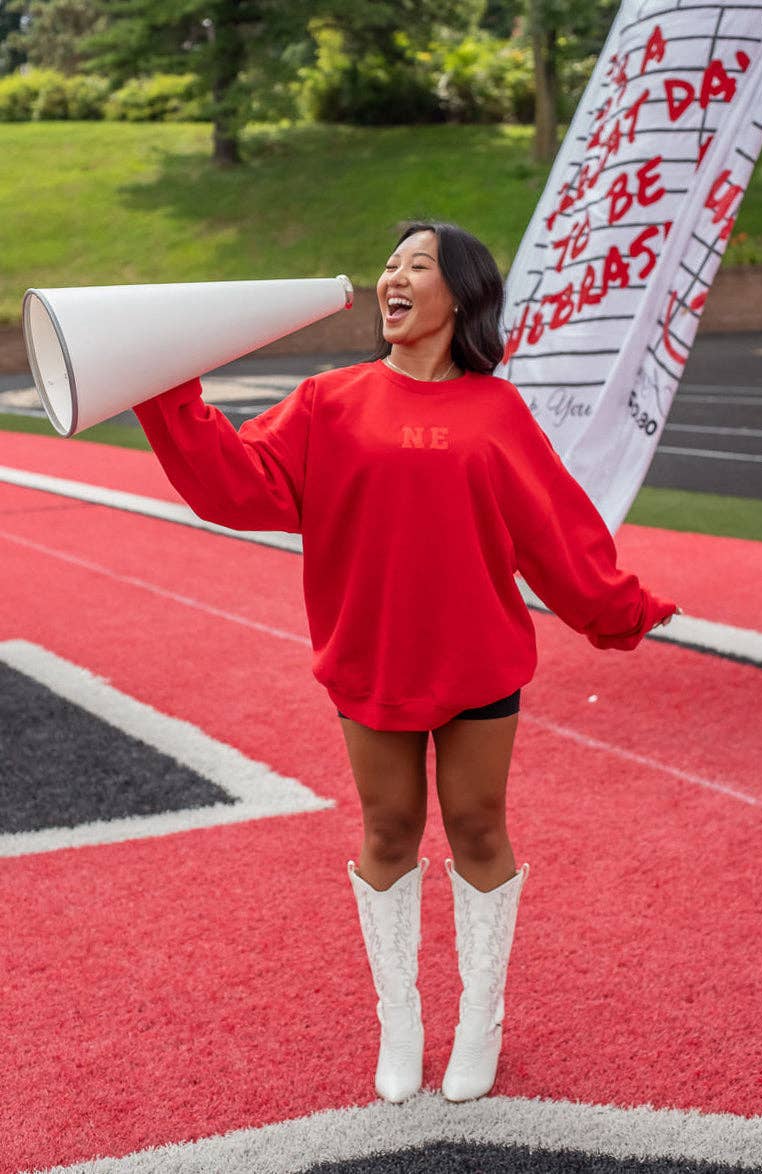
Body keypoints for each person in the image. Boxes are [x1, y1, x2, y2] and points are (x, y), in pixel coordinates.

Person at [134, 220, 678, 1106]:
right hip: (370, 659)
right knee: (388, 832)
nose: (393, 276)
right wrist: (163, 386)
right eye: (389, 264)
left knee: (476, 829)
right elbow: (233, 483)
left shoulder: (495, 411)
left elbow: (557, 533)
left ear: (457, 295)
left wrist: (621, 610)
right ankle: (401, 1021)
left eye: (415, 265)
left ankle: (480, 1022)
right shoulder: (327, 401)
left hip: (477, 661)